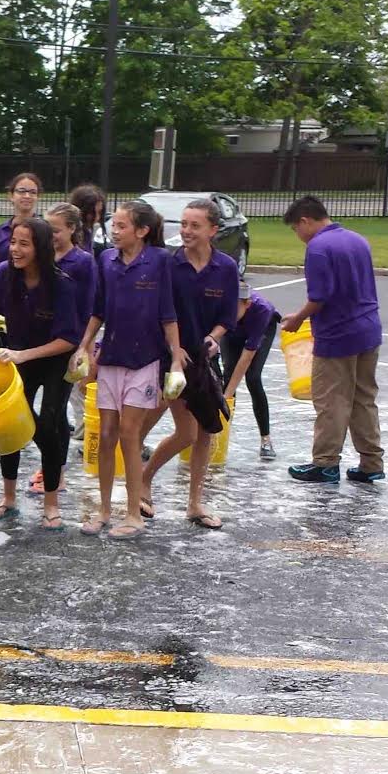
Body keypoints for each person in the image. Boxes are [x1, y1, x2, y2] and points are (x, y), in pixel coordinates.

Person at [73, 201, 184, 538]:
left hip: (144, 360)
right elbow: (98, 309)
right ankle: (105, 509)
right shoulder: (105, 259)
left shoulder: (160, 261)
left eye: (121, 225)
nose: (114, 231)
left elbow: (168, 313)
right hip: (110, 359)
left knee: (129, 434)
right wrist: (84, 346)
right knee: (106, 435)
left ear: (142, 230)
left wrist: (177, 358)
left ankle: (133, 512)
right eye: (113, 225)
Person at [0, 218, 81, 530]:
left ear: (41, 249)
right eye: (13, 243)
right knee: (9, 427)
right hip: (17, 358)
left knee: (48, 422)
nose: (14, 250)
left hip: (55, 359)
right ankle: (8, 499)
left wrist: (22, 354)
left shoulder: (61, 284)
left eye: (24, 244)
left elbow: (68, 340)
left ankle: (51, 504)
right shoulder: (5, 274)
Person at [140, 199, 239, 530]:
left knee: (206, 431)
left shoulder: (225, 267)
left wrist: (214, 337)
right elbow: (158, 311)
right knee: (186, 431)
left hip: (205, 359)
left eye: (194, 226)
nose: (186, 231)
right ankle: (142, 479)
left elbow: (228, 315)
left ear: (213, 230)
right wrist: (175, 350)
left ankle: (195, 503)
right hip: (171, 358)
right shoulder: (169, 265)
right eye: (183, 224)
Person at [280, 196, 385, 484]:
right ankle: (371, 463)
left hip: (337, 334)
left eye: (295, 229)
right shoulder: (356, 239)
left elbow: (320, 297)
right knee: (364, 398)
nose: (298, 236)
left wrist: (298, 319)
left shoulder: (318, 248)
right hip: (368, 329)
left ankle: (325, 463)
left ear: (305, 220)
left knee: (331, 400)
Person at [29, 201, 97, 495]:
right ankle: (50, 465)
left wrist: (84, 348)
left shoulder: (82, 263)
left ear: (72, 229)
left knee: (54, 414)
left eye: (56, 230)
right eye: (47, 229)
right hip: (37, 344)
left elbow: (91, 309)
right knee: (39, 412)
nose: (51, 235)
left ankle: (56, 470)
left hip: (68, 345)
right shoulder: (41, 256)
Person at [221, 279, 280, 459]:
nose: (230, 313)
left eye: (234, 310)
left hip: (260, 328)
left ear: (247, 304)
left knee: (253, 378)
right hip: (232, 332)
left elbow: (247, 357)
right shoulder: (223, 305)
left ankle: (266, 439)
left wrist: (227, 396)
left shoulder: (261, 310)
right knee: (228, 373)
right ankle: (220, 436)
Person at [69, 183, 107, 259]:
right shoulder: (68, 232)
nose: (97, 217)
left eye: (100, 212)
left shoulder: (87, 232)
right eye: (91, 213)